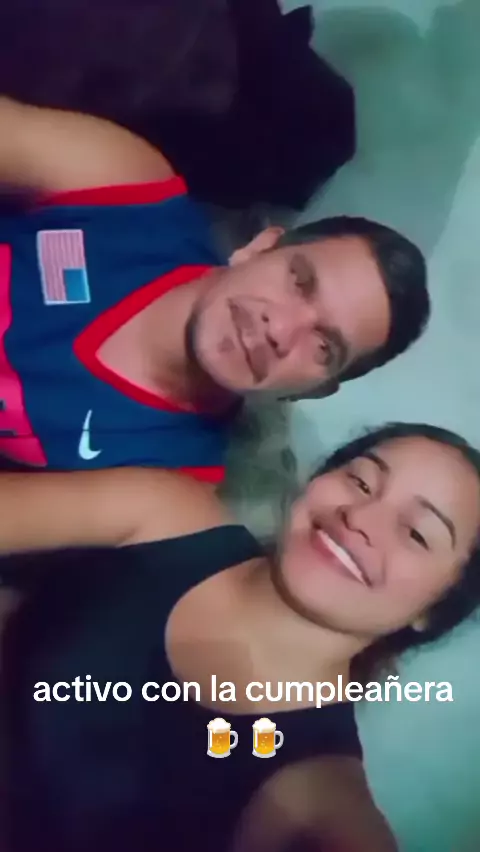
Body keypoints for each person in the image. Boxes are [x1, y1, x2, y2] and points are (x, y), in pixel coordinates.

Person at [2, 422, 480, 852]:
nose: (359, 518)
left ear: (434, 610)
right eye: (361, 481)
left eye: (417, 534)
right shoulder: (164, 512)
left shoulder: (317, 800)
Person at [0, 96, 429, 482]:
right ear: (259, 247)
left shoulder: (174, 482)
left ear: (311, 391)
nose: (280, 329)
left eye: (324, 347)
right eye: (299, 281)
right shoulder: (129, 189)